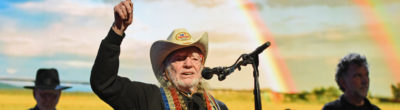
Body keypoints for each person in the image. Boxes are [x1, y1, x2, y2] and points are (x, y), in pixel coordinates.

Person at [90, 0, 228, 110]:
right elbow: (104, 83)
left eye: (195, 58)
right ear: (164, 71)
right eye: (179, 58)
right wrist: (116, 32)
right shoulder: (148, 98)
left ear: (202, 67)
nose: (188, 64)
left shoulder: (220, 107)